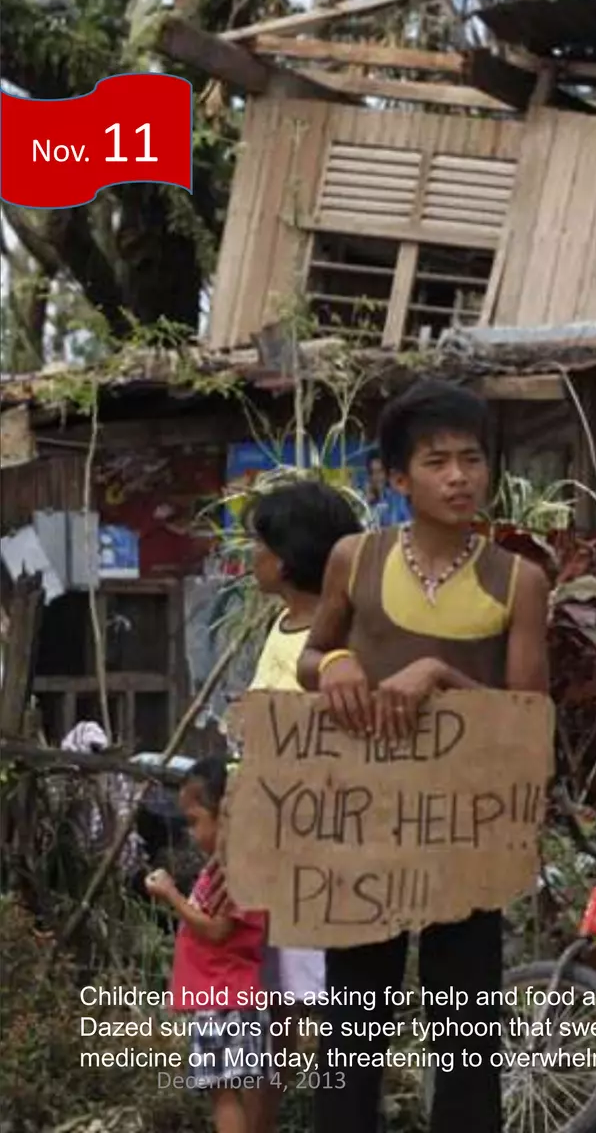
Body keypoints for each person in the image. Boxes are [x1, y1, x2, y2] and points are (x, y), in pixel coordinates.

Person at [298, 379, 551, 1133]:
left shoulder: (519, 580)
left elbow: (527, 720)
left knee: (467, 1029)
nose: (459, 477)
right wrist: (336, 662)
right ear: (397, 478)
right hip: (365, 825)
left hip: (467, 832)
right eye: (436, 461)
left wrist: (440, 674)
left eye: (472, 459)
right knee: (353, 1025)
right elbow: (312, 654)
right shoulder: (356, 558)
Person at [244, 479, 363, 1008]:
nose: (252, 557)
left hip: (316, 849)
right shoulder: (283, 625)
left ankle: (335, 1090)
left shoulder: (344, 643)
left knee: (310, 999)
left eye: (259, 546)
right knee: (274, 997)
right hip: (269, 839)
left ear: (287, 561)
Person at [146, 758, 282, 1133]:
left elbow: (218, 931)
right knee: (236, 1090)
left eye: (195, 821)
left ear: (226, 814)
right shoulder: (226, 867)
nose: (191, 834)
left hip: (225, 996)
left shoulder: (237, 871)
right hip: (232, 993)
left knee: (223, 1092)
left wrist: (171, 895)